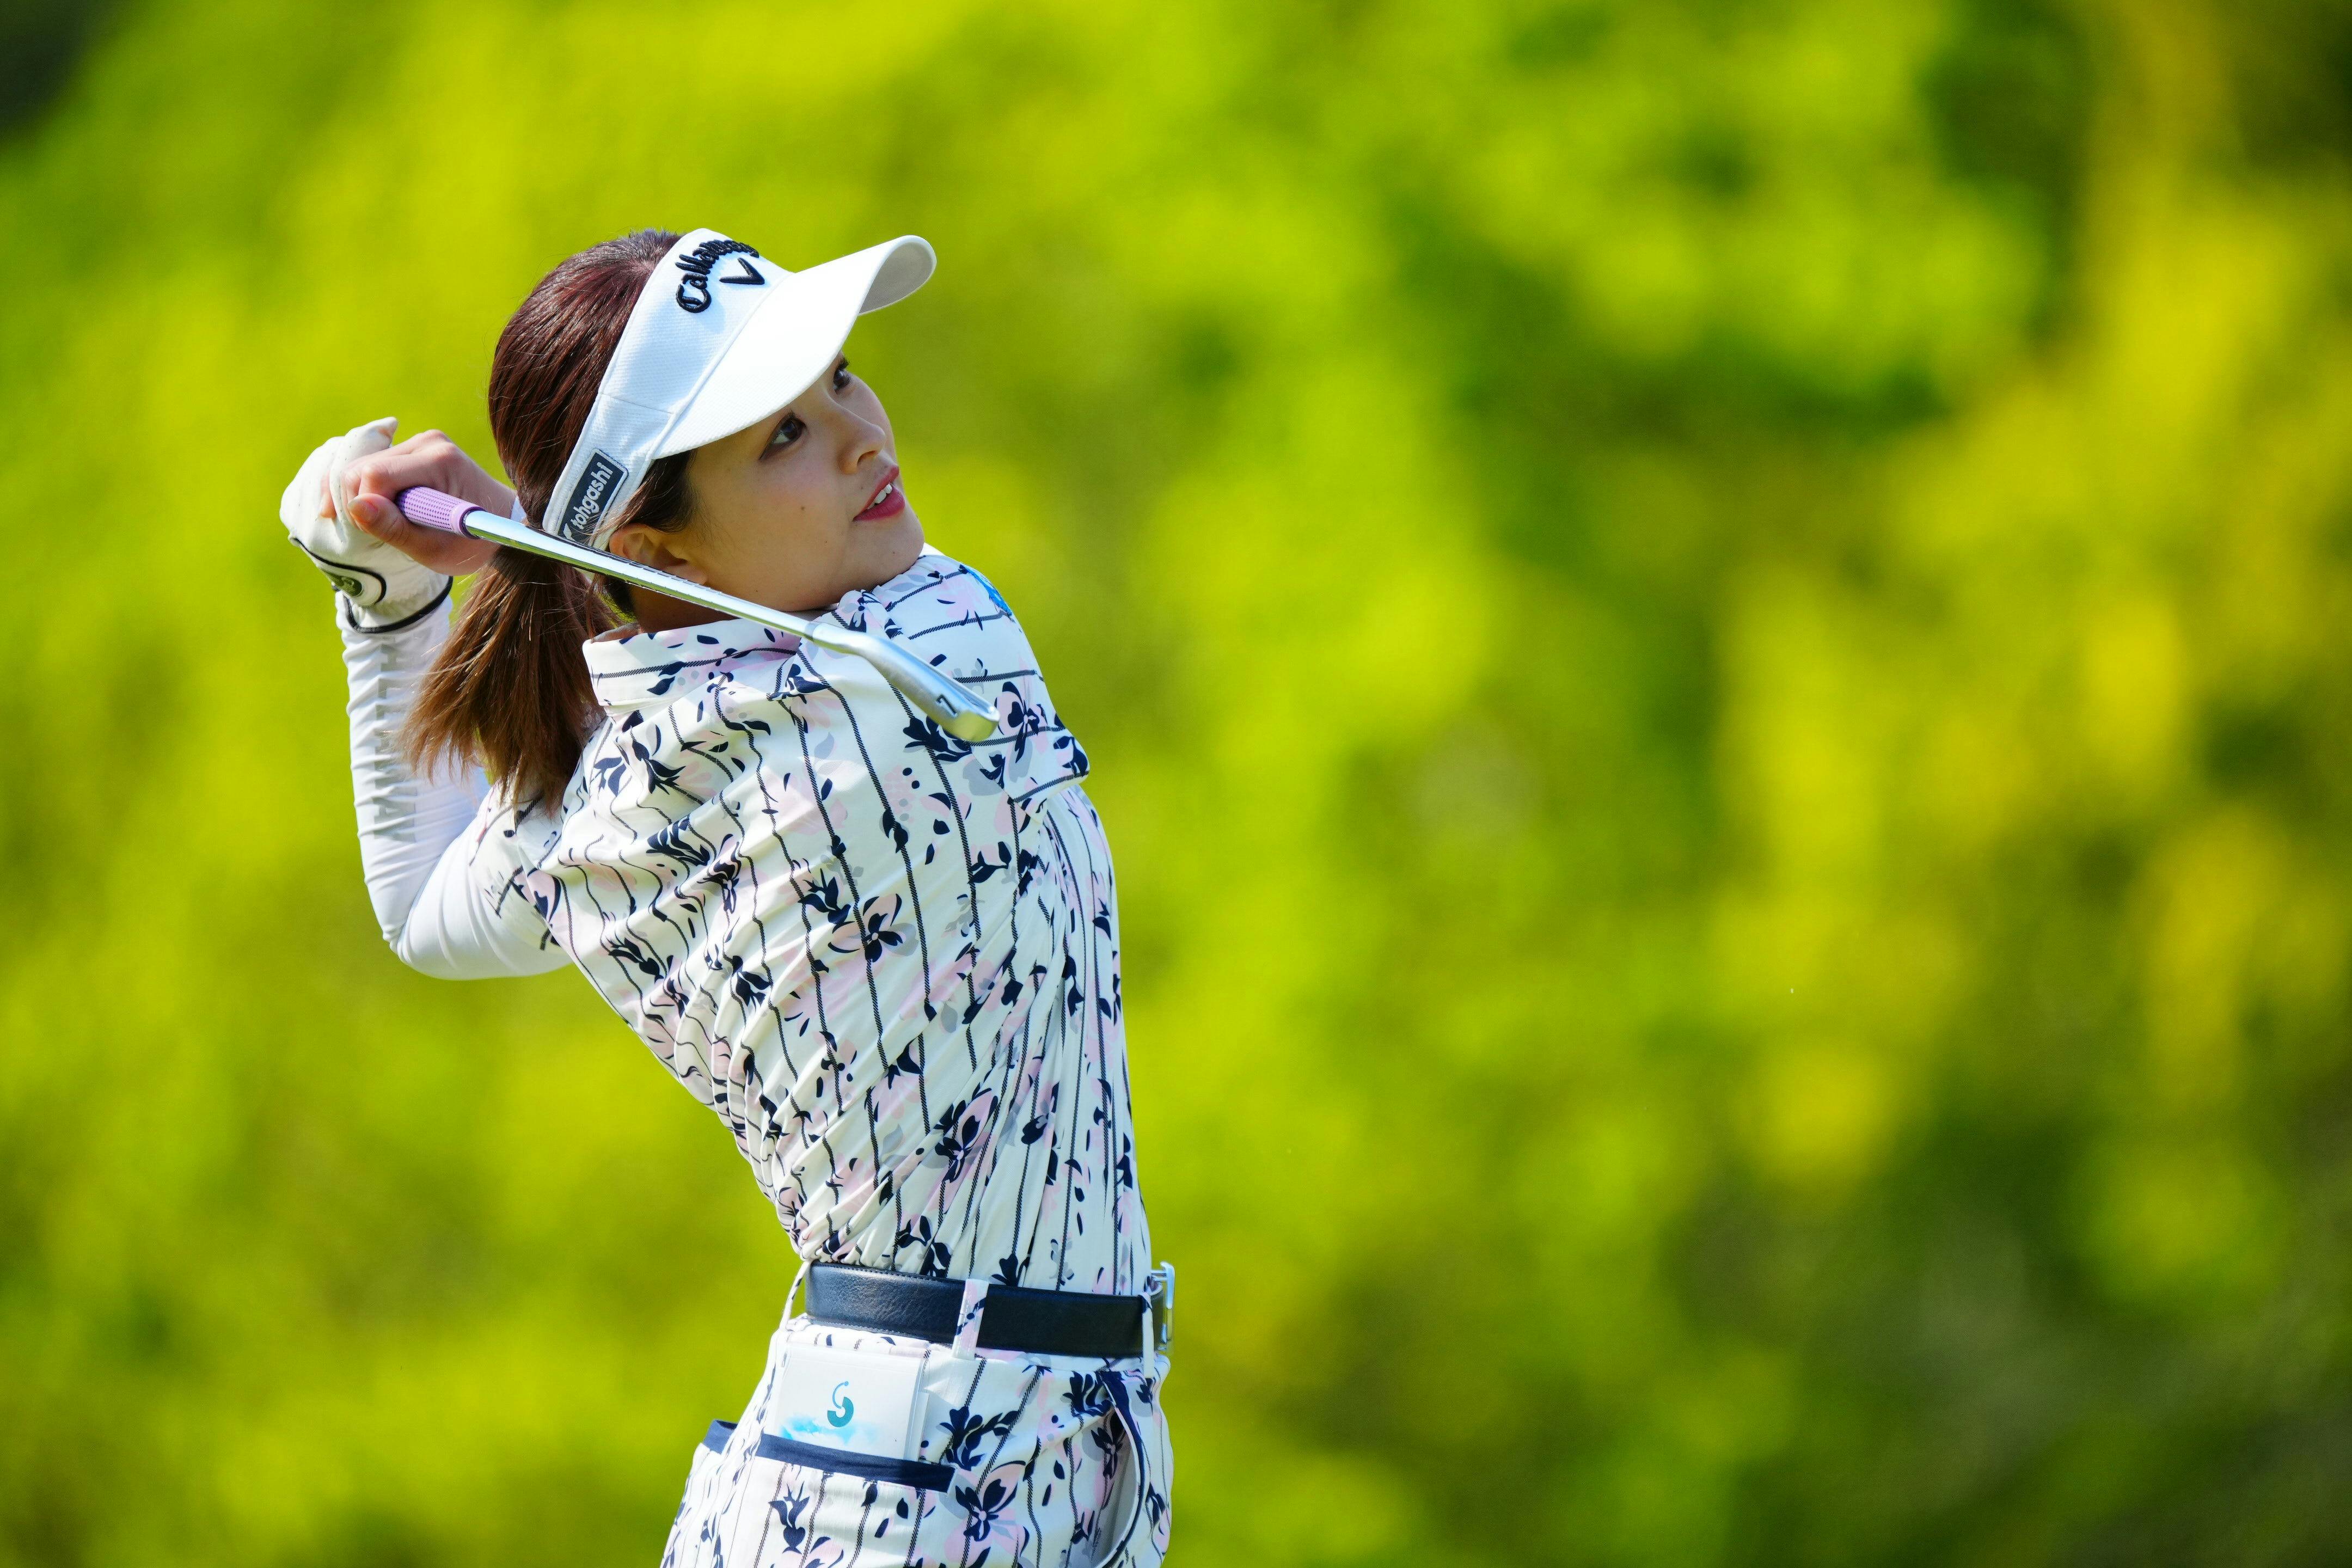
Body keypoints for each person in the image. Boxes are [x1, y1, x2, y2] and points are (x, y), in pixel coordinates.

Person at [278, 228, 1172, 1567]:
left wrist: (393, 601)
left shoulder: (628, 784)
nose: (863, 438)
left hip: (946, 1465)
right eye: (783, 436)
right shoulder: (931, 642)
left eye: (841, 380)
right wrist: (515, 546)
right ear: (659, 549)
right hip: (913, 1500)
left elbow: (423, 911)